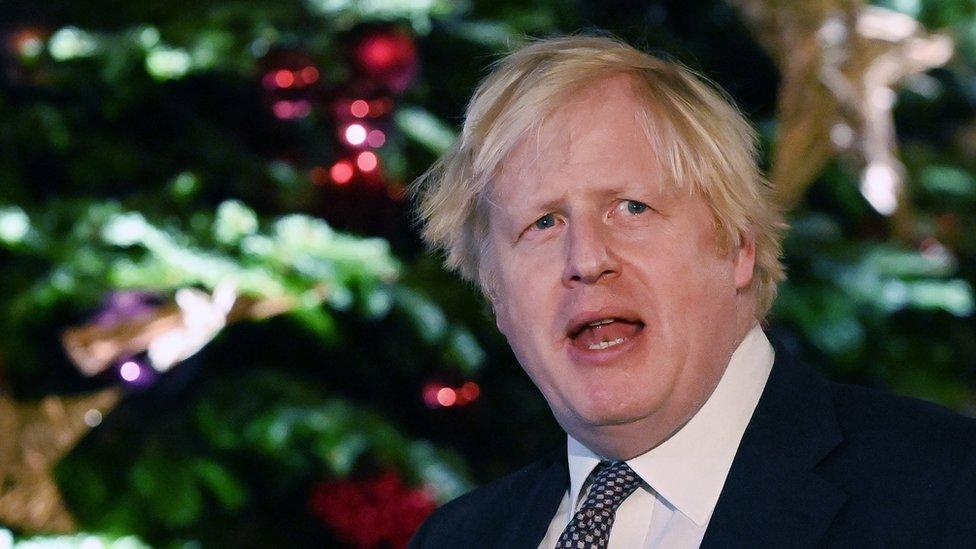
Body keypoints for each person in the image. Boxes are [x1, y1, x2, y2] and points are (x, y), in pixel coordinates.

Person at [407, 35, 976, 548]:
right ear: (495, 294)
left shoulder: (948, 492)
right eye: (543, 224)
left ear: (737, 245)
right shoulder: (458, 538)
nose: (585, 260)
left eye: (632, 207)